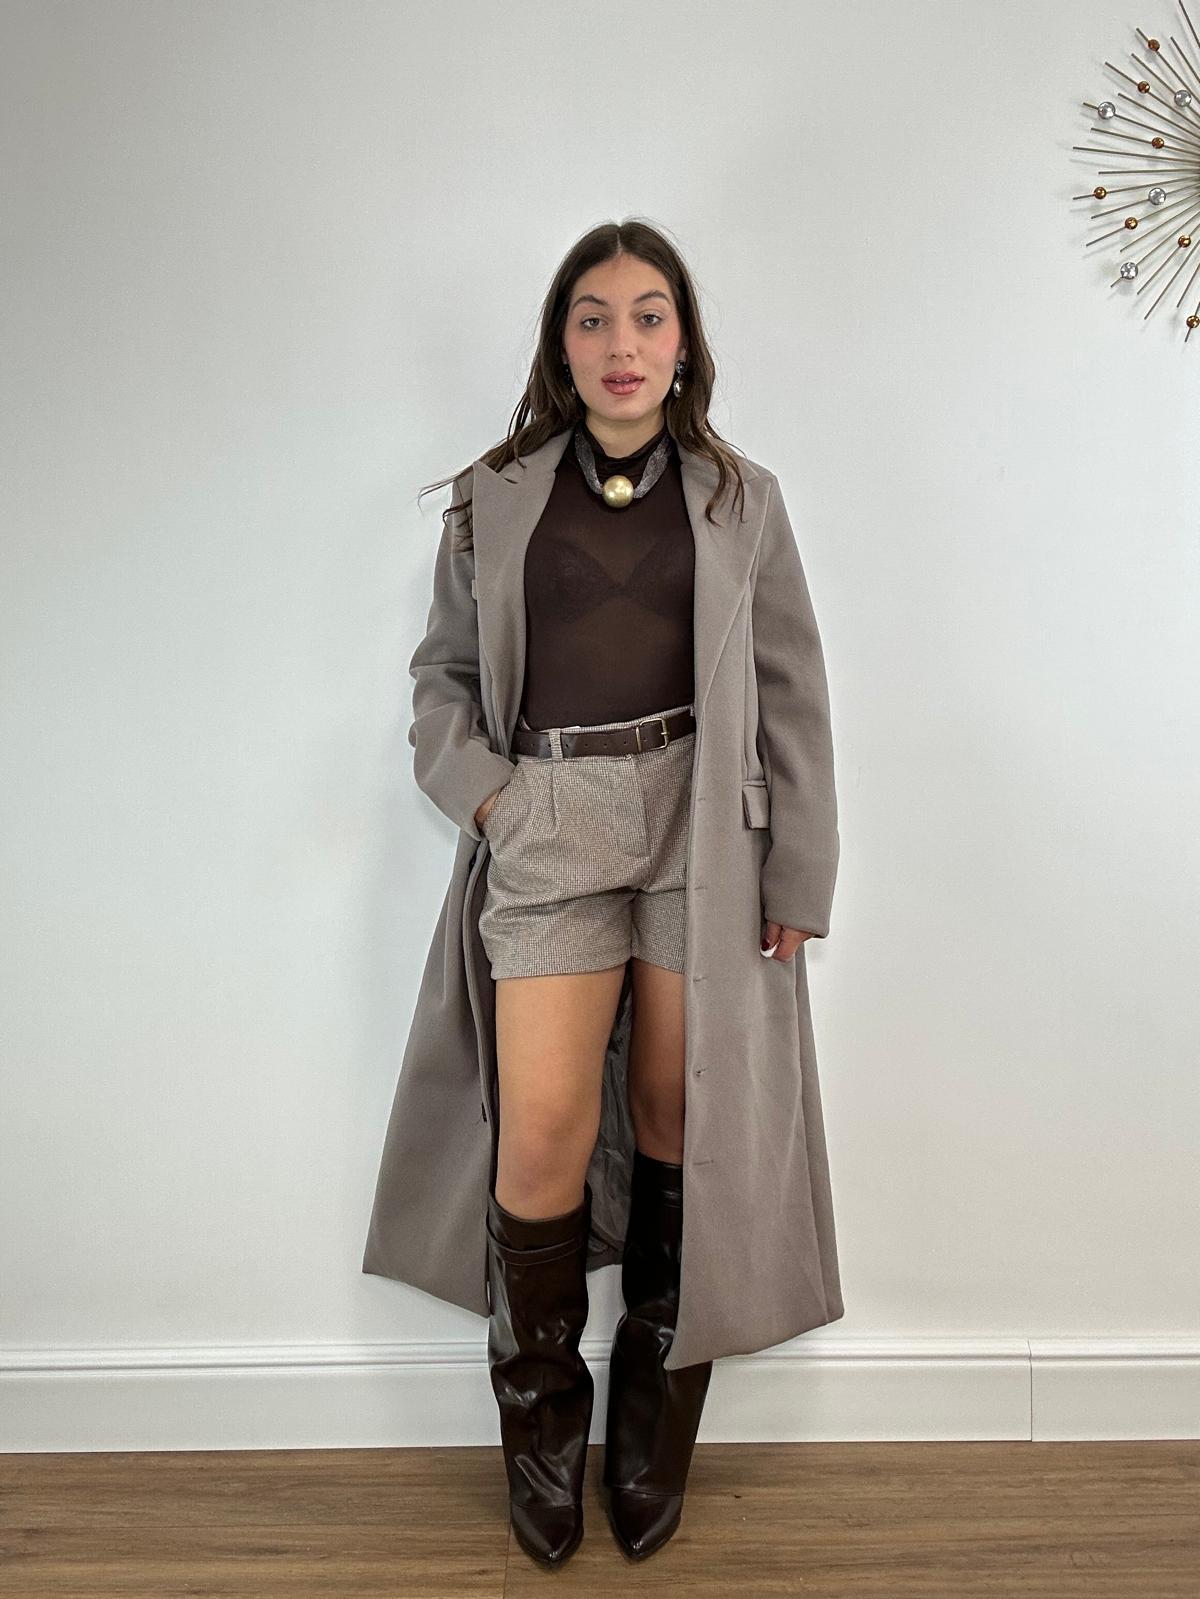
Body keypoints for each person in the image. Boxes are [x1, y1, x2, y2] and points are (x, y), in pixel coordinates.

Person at [397, 218, 839, 1568]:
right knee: (538, 1133)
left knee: (674, 1118)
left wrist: (800, 868)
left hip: (706, 818)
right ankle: (542, 1427)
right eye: (593, 317)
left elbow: (791, 691)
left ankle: (652, 1424)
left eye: (649, 315)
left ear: (684, 340)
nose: (622, 342)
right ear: (561, 343)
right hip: (550, 814)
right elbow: (442, 682)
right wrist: (493, 798)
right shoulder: (493, 495)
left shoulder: (743, 498)